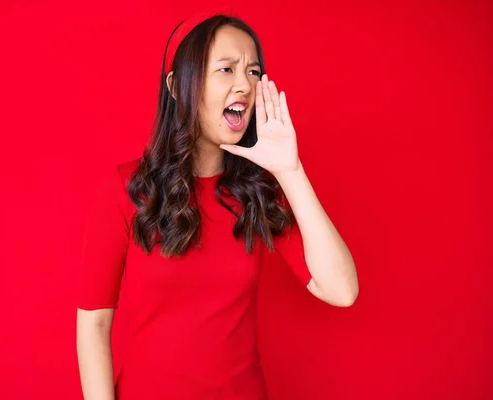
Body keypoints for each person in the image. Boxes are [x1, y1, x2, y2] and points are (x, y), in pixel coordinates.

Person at [76, 9, 358, 400]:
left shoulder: (258, 193)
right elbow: (94, 325)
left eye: (254, 72)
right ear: (177, 86)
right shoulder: (127, 189)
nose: (244, 83)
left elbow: (341, 290)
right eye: (226, 69)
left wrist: (290, 171)